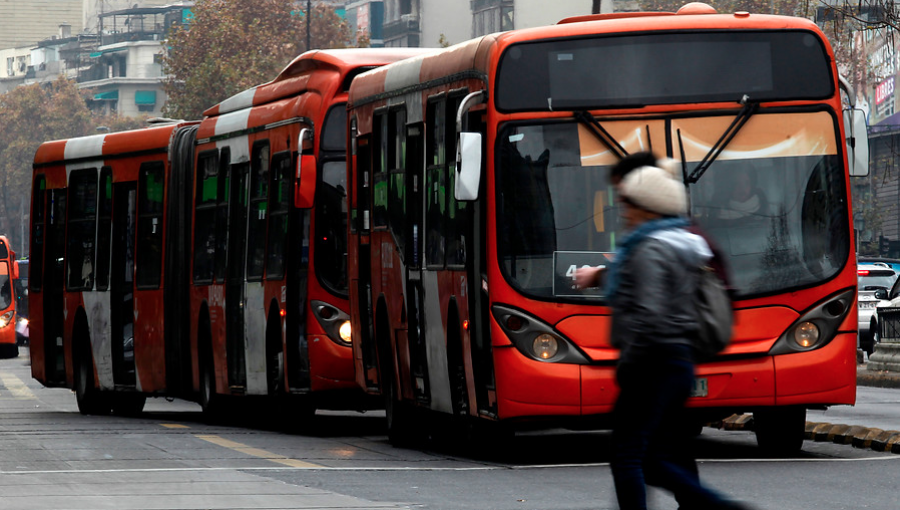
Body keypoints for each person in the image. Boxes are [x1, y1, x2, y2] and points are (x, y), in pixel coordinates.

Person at [578, 152, 749, 510]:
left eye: (628, 201)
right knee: (656, 457)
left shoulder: (649, 248)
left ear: (647, 207)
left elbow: (650, 315)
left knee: (627, 456)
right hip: (672, 363)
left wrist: (630, 366)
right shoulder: (677, 243)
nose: (622, 208)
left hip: (653, 364)